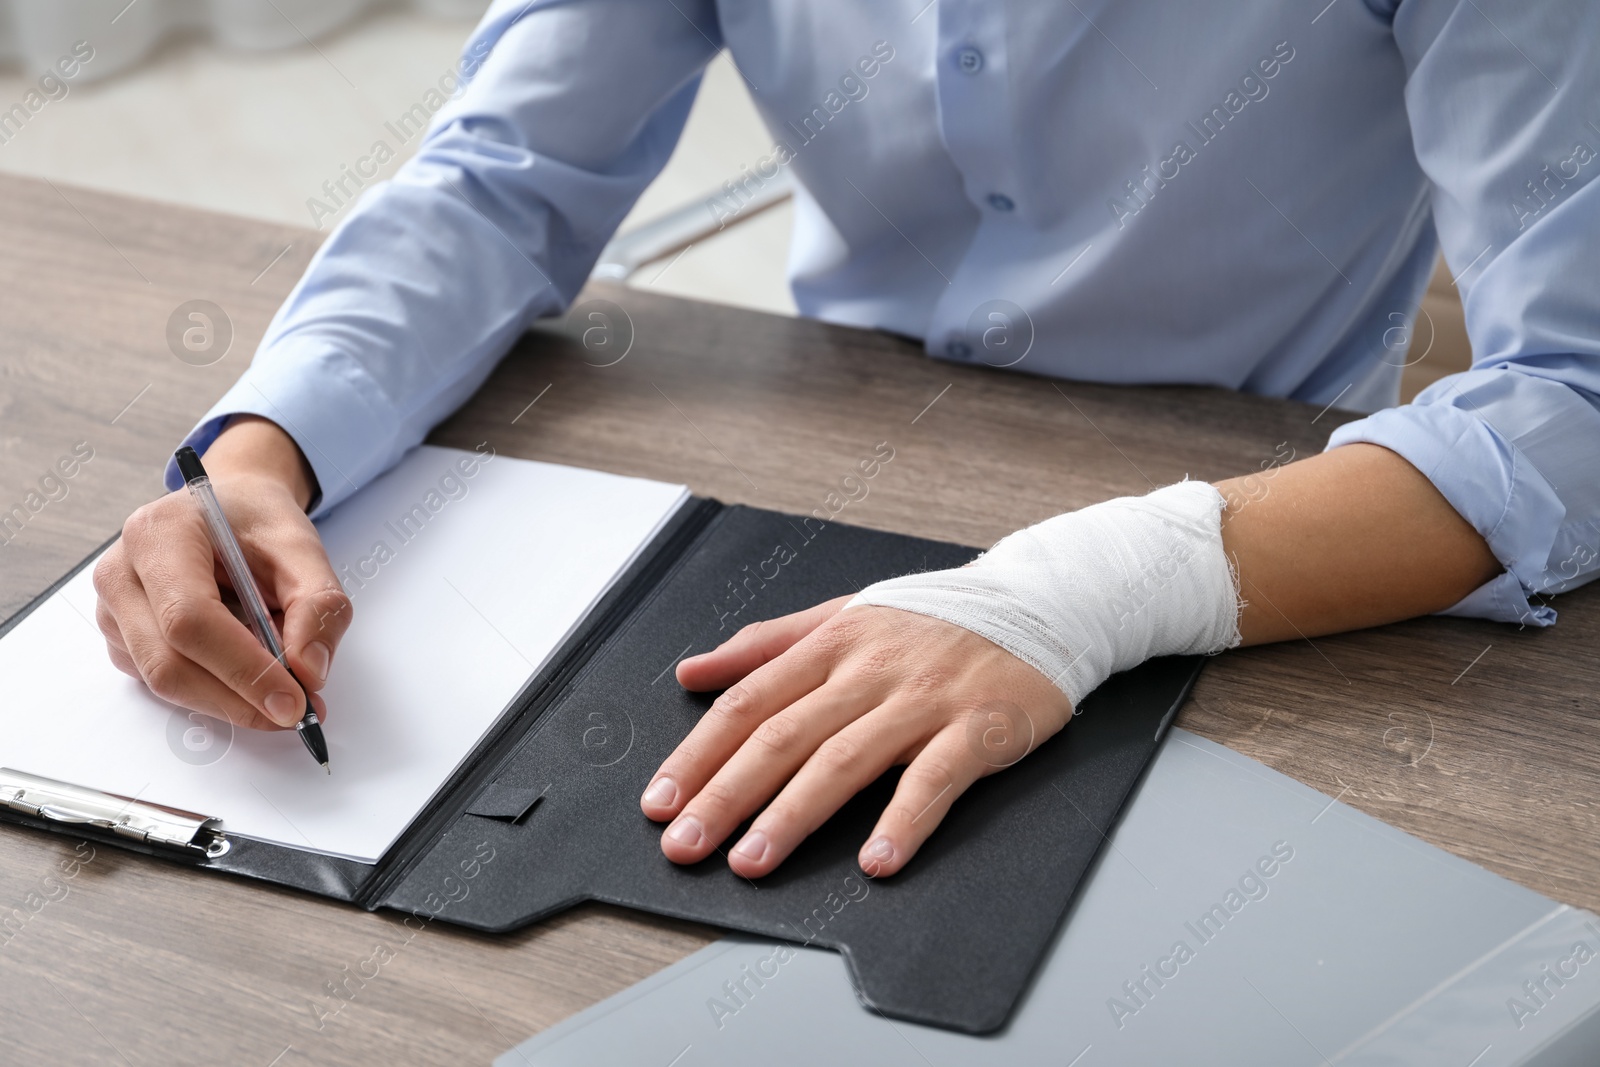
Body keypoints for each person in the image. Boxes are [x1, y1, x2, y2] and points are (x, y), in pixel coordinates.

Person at [93, 1, 1600, 880]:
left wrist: (1073, 591)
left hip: (1272, 532)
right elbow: (500, 177)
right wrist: (259, 456)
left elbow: (1576, 398)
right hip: (823, 447)